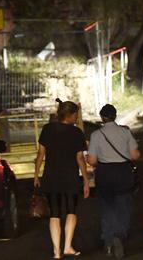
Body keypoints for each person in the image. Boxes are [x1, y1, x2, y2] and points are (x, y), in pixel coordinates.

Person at [34, 100, 89, 259]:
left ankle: (56, 252)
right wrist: (85, 179)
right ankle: (67, 247)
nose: (77, 118)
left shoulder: (47, 129)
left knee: (54, 214)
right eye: (76, 115)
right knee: (71, 211)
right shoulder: (76, 132)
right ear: (71, 115)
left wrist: (36, 175)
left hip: (51, 177)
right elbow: (80, 158)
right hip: (70, 177)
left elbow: (40, 154)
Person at [87, 104, 141, 259]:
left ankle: (108, 239)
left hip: (104, 173)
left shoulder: (96, 135)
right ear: (115, 116)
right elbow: (135, 155)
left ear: (102, 118)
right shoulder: (125, 132)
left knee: (107, 206)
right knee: (123, 205)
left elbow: (91, 160)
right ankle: (119, 234)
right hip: (123, 173)